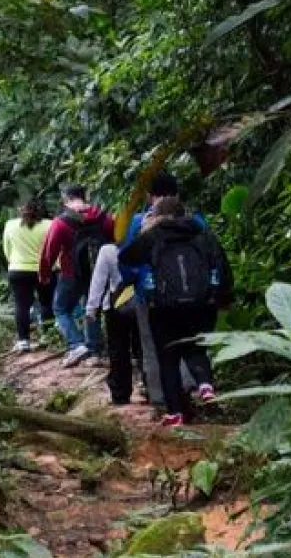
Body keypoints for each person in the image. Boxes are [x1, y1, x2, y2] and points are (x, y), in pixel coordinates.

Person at [120, 196, 233, 428]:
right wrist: (222, 297)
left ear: (157, 215)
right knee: (196, 347)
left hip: (163, 307)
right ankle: (205, 384)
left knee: (168, 358)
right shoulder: (202, 234)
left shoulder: (153, 236)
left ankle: (175, 413)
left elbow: (126, 259)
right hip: (201, 303)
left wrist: (145, 230)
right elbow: (222, 266)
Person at [119, 172, 208, 407]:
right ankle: (191, 388)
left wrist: (134, 283)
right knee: (191, 342)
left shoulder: (140, 223)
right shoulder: (195, 221)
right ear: (177, 194)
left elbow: (128, 262)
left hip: (152, 296)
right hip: (194, 294)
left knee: (153, 347)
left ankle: (161, 399)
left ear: (150, 196)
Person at [39, 185, 114, 367]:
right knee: (92, 307)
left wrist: (45, 274)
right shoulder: (103, 216)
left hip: (71, 273)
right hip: (98, 272)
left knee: (60, 308)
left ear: (66, 198)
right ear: (84, 196)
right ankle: (95, 351)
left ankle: (77, 344)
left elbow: (50, 252)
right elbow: (113, 238)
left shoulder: (61, 221)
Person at [86, 242, 142, 405]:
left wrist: (92, 307)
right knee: (143, 348)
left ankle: (120, 394)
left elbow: (99, 280)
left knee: (118, 350)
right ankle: (150, 387)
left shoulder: (108, 250)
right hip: (142, 303)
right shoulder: (147, 244)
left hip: (116, 305)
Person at [3, 199, 55, 352]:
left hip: (17, 270)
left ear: (21, 210)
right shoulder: (50, 225)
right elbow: (53, 247)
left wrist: (14, 262)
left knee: (22, 305)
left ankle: (23, 341)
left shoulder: (10, 225)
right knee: (46, 303)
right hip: (43, 269)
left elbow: (7, 249)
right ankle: (47, 336)